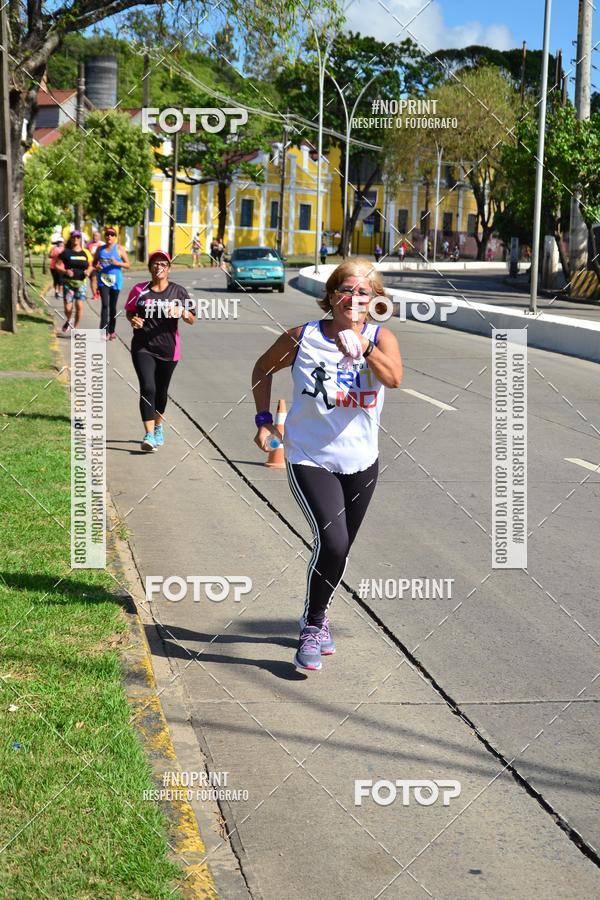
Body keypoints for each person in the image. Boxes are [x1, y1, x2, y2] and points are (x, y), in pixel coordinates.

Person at [251, 259, 403, 671]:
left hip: (362, 462)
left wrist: (366, 348)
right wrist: (264, 421)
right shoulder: (303, 337)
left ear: (375, 302)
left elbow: (394, 379)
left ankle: (318, 615)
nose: (354, 298)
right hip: (309, 456)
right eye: (347, 289)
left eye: (365, 292)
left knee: (340, 550)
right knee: (332, 542)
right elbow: (261, 369)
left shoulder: (381, 337)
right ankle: (314, 625)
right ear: (331, 295)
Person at [125, 250, 195, 452]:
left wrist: (182, 311)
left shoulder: (179, 292)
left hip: (169, 349)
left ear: (169, 268)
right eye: (155, 263)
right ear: (150, 268)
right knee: (148, 388)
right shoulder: (139, 290)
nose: (159, 267)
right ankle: (148, 435)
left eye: (163, 263)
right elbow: (130, 313)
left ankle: (158, 426)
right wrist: (134, 320)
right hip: (142, 347)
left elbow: (192, 319)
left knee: (161, 392)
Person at [93, 226, 130, 341]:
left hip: (115, 281)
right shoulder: (100, 249)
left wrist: (117, 263)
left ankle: (112, 330)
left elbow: (128, 265)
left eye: (112, 234)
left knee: (112, 307)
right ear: (105, 237)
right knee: (105, 305)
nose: (109, 236)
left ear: (115, 237)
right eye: (107, 234)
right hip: (103, 280)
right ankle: (103, 331)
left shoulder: (119, 249)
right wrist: (97, 266)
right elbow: (94, 263)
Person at [55, 230, 93, 333]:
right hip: (68, 283)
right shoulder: (66, 252)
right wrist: (65, 271)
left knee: (79, 306)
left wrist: (88, 271)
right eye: (73, 237)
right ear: (71, 239)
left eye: (78, 237)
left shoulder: (85, 252)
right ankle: (68, 320)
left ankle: (76, 328)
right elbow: (56, 265)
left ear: (80, 239)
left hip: (81, 283)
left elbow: (90, 265)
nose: (76, 239)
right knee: (68, 307)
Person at [87, 230, 103, 299]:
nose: (94, 237)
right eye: (93, 235)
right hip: (91, 266)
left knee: (100, 280)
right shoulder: (88, 245)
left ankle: (99, 291)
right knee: (93, 279)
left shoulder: (102, 244)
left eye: (96, 236)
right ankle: (95, 294)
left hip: (101, 266)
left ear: (99, 237)